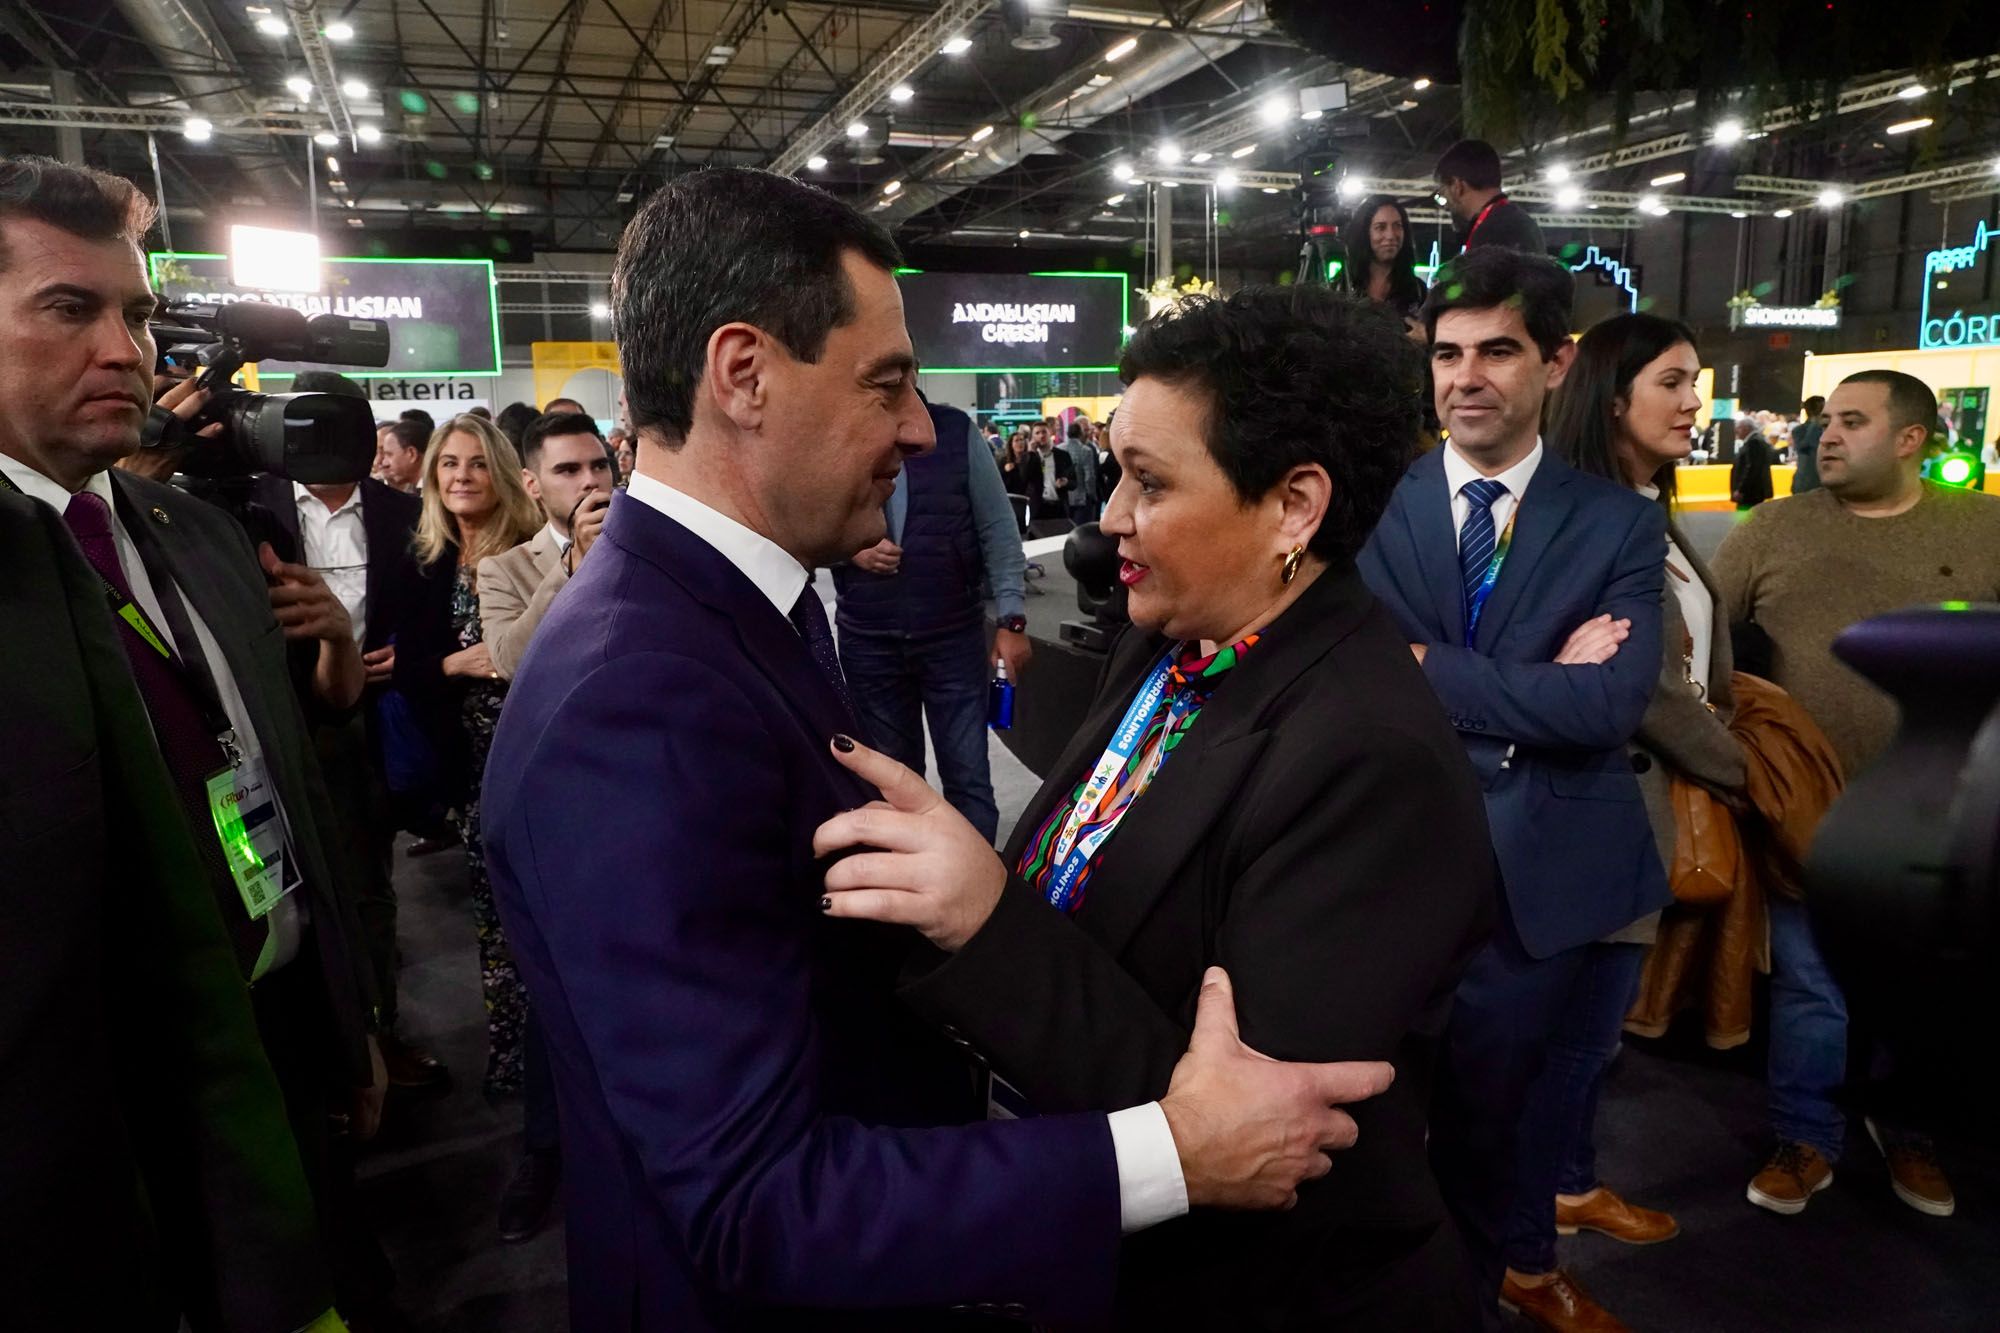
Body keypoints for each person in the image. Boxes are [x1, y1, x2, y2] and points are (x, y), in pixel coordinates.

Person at [481, 165, 1398, 1332]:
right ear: (743, 374)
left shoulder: (718, 616)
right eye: (888, 384)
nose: (919, 429)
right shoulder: (639, 692)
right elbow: (756, 1201)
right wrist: (1167, 1153)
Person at [817, 285, 1495, 1327]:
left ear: (1293, 508)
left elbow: (1246, 1140)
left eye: (1148, 482)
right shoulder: (1168, 646)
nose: (1109, 520)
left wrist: (983, 917)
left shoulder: (1366, 757)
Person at [0, 153, 386, 1325]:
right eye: (69, 310)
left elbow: (291, 782)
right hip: (90, 1119)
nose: (126, 351)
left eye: (136, 313)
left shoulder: (201, 533)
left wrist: (347, 1011)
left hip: (279, 1036)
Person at [1356, 246, 1669, 1331]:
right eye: (1447, 353)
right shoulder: (1366, 503)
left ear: (1555, 362)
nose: (1465, 376)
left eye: (1496, 350)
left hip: (1541, 883)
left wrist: (1426, 670)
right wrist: (1531, 681)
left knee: (1498, 1133)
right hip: (1385, 862)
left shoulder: (1617, 519)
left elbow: (1606, 708)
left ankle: (1476, 1301)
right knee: (1368, 1127)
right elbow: (1346, 683)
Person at [1713, 370, 2000, 1221]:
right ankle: (1808, 1134)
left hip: (1943, 810)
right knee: (1813, 986)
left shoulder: (1984, 526)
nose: (1823, 438)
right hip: (1806, 806)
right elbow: (1700, 641)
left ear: (1912, 439)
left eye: (1851, 422)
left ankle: (1905, 1126)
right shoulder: (1771, 528)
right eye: (1824, 422)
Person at [1536, 313, 1738, 1325]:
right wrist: (1744, 767)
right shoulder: (1579, 519)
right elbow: (1645, 688)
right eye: (1673, 381)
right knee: (1562, 1043)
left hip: (1637, 805)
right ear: (1611, 397)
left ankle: (1564, 1183)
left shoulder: (1642, 508)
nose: (1692, 401)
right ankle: (1520, 1250)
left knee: (1590, 1039)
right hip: (1587, 811)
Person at [253, 372, 450, 1096]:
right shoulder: (244, 508)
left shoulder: (407, 513)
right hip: (273, 723)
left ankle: (378, 1033)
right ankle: (304, 1045)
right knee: (278, 889)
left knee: (369, 884)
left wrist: (411, 657)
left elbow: (434, 611)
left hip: (376, 720)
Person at [396, 413, 542, 1098]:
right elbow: (408, 672)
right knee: (497, 920)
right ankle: (513, 1058)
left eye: (477, 463)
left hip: (540, 755)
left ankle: (572, 1056)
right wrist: (458, 663)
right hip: (469, 766)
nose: (461, 476)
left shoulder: (537, 550)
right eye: (449, 464)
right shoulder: (423, 560)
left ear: (503, 473)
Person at [833, 396, 1030, 843]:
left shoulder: (955, 432)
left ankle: (979, 896)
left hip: (952, 637)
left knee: (968, 778)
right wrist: (849, 548)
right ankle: (908, 896)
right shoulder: (838, 426)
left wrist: (1011, 618)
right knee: (892, 782)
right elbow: (804, 517)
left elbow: (998, 528)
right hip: (869, 639)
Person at [481, 410, 615, 680]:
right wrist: (572, 562)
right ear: (532, 484)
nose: (591, 480)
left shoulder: (649, 547)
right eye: (568, 470)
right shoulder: (505, 570)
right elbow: (510, 663)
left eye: (600, 466)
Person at [1435, 139, 1547, 256]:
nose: (1445, 202)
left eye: (1443, 191)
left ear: (1457, 186)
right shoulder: (1521, 222)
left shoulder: (1491, 233)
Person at [1339, 192, 1427, 327]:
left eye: (1398, 225)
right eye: (1380, 227)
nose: (1391, 235)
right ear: (1364, 233)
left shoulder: (1417, 291)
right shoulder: (1341, 287)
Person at [1026, 420, 1074, 521]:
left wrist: (1066, 482)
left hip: (1059, 507)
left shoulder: (1063, 455)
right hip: (1038, 508)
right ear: (1032, 437)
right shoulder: (1030, 457)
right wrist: (1031, 453)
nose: (1041, 436)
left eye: (1044, 432)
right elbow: (1024, 478)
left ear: (1050, 433)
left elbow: (1074, 482)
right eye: (1037, 433)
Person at [373, 413, 427, 492]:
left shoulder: (436, 489)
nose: (378, 461)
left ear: (411, 454)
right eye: (374, 453)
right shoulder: (366, 490)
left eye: (388, 454)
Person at [1732, 416, 1776, 508]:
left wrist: (1741, 490)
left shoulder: (1754, 442)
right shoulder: (1758, 440)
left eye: (1739, 428)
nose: (1736, 431)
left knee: (1745, 518)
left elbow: (1752, 468)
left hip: (1750, 493)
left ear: (1746, 428)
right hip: (1753, 492)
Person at [1064, 416, 1102, 522]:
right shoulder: (1086, 450)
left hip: (1065, 499)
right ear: (1080, 432)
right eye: (1085, 430)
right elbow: (1089, 476)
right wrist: (1092, 496)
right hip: (1083, 499)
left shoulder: (1059, 448)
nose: (1088, 433)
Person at [1791, 395, 1826, 494]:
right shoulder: (1799, 430)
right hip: (1806, 481)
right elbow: (1802, 447)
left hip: (1824, 482)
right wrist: (1815, 423)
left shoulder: (1829, 429)